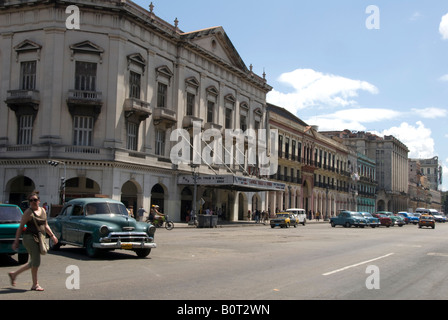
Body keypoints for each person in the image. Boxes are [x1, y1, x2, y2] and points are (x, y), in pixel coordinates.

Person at [8, 192, 58, 291]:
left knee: (34, 262)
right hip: (29, 238)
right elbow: (21, 227)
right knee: (36, 261)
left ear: (39, 201)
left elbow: (46, 225)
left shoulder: (43, 210)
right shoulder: (28, 212)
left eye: (35, 200)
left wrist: (52, 236)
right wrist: (16, 241)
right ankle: (35, 284)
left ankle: (14, 274)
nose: (33, 202)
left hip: (39, 238)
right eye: (31, 200)